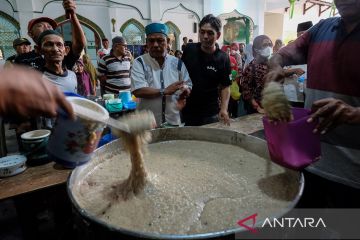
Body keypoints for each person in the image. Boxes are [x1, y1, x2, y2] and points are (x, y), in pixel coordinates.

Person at [265, 0, 360, 208]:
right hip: (309, 162)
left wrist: (353, 113)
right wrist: (275, 66)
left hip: (353, 175)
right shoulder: (321, 29)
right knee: (306, 228)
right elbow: (281, 55)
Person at [131, 22, 192, 127]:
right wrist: (165, 91)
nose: (155, 44)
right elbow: (138, 90)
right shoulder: (139, 62)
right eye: (151, 41)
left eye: (160, 40)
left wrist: (185, 92)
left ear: (168, 42)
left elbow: (188, 85)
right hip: (147, 124)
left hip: (173, 121)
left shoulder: (177, 63)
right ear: (147, 43)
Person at [181, 14, 231, 126]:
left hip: (211, 112)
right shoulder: (190, 49)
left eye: (210, 33)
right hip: (188, 110)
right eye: (202, 32)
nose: (205, 36)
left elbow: (225, 86)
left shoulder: (223, 58)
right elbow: (181, 74)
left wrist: (224, 108)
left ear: (218, 35)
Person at [14, 0, 86, 71]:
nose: (46, 28)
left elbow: (79, 44)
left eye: (49, 26)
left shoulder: (61, 49)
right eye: (40, 26)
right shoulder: (23, 60)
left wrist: (73, 14)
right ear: (30, 34)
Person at [0, 66, 73, 119]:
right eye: (49, 44)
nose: (55, 49)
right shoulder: (37, 75)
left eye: (59, 44)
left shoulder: (71, 75)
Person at [240, 35, 273, 114]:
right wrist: (257, 107)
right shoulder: (251, 67)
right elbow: (245, 90)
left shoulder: (272, 64)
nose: (268, 47)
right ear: (256, 49)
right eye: (265, 45)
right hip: (257, 109)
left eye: (270, 44)